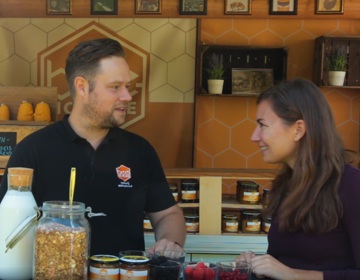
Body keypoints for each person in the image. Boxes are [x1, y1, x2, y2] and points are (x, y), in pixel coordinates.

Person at [0, 38, 186, 256]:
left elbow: (167, 214)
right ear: (82, 86)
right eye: (115, 87)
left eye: (127, 86)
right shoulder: (32, 151)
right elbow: (8, 225)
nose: (127, 96)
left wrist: (170, 242)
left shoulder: (140, 150)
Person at [236, 78, 360, 279]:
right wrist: (259, 264)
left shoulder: (351, 185)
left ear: (298, 129)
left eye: (262, 125)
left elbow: (291, 272)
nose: (254, 136)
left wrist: (293, 274)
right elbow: (289, 263)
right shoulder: (286, 184)